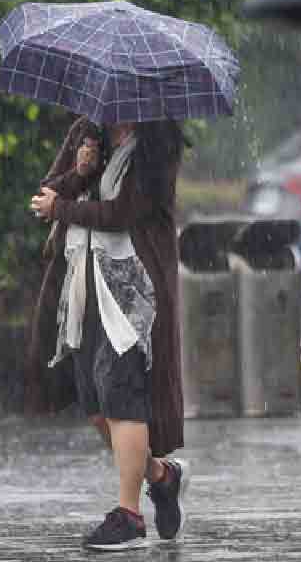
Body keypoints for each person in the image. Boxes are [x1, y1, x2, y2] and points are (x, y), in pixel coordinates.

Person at [28, 117, 190, 551]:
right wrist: (79, 172)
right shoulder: (88, 130)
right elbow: (46, 193)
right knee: (96, 404)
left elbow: (123, 214)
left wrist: (63, 208)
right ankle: (161, 475)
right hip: (85, 282)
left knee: (122, 397)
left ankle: (129, 516)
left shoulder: (157, 141)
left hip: (135, 288)